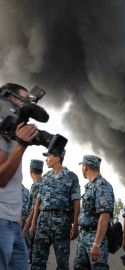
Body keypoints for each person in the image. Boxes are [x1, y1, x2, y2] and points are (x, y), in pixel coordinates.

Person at [0, 83, 38, 270]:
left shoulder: (11, 134)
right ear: (9, 97)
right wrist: (22, 145)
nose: (26, 108)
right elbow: (1, 178)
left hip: (12, 222)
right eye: (24, 100)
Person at [30, 149, 81, 270]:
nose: (46, 159)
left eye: (49, 156)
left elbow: (76, 202)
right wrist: (33, 223)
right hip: (43, 221)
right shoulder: (46, 177)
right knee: (37, 260)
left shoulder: (71, 177)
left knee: (62, 262)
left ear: (58, 158)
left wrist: (75, 225)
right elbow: (38, 201)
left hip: (62, 222)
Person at [74, 155, 115, 270]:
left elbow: (104, 215)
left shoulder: (102, 185)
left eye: (82, 166)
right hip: (84, 235)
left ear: (85, 167)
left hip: (94, 236)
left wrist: (97, 244)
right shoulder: (90, 186)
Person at [22, 159, 44, 263]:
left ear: (30, 170)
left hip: (33, 225)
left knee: (32, 257)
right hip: (40, 224)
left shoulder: (37, 186)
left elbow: (34, 209)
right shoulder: (43, 183)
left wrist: (25, 229)